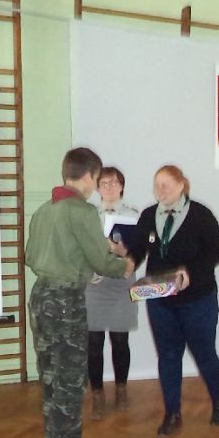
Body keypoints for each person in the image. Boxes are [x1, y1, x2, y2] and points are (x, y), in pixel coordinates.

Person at [25, 147, 134, 438]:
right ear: (88, 176)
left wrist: (81, 267)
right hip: (65, 302)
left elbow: (30, 256)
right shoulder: (82, 211)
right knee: (70, 387)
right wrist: (123, 265)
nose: (96, 187)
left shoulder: (44, 210)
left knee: (52, 381)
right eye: (97, 179)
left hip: (41, 298)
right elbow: (101, 262)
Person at [128, 165, 219, 437]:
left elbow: (218, 250)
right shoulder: (148, 215)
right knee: (168, 356)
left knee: (205, 354)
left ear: (181, 184)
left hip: (198, 300)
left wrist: (190, 272)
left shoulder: (201, 215)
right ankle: (172, 413)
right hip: (160, 301)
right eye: (156, 186)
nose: (159, 191)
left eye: (166, 185)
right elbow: (138, 248)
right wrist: (128, 262)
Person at [86, 167, 140, 420]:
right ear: (97, 188)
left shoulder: (134, 215)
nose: (109, 187)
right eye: (104, 183)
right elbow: (80, 249)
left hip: (121, 282)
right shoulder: (88, 215)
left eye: (114, 182)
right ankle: (97, 395)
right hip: (95, 283)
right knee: (94, 343)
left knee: (120, 340)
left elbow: (140, 252)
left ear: (122, 186)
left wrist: (123, 252)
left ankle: (121, 390)